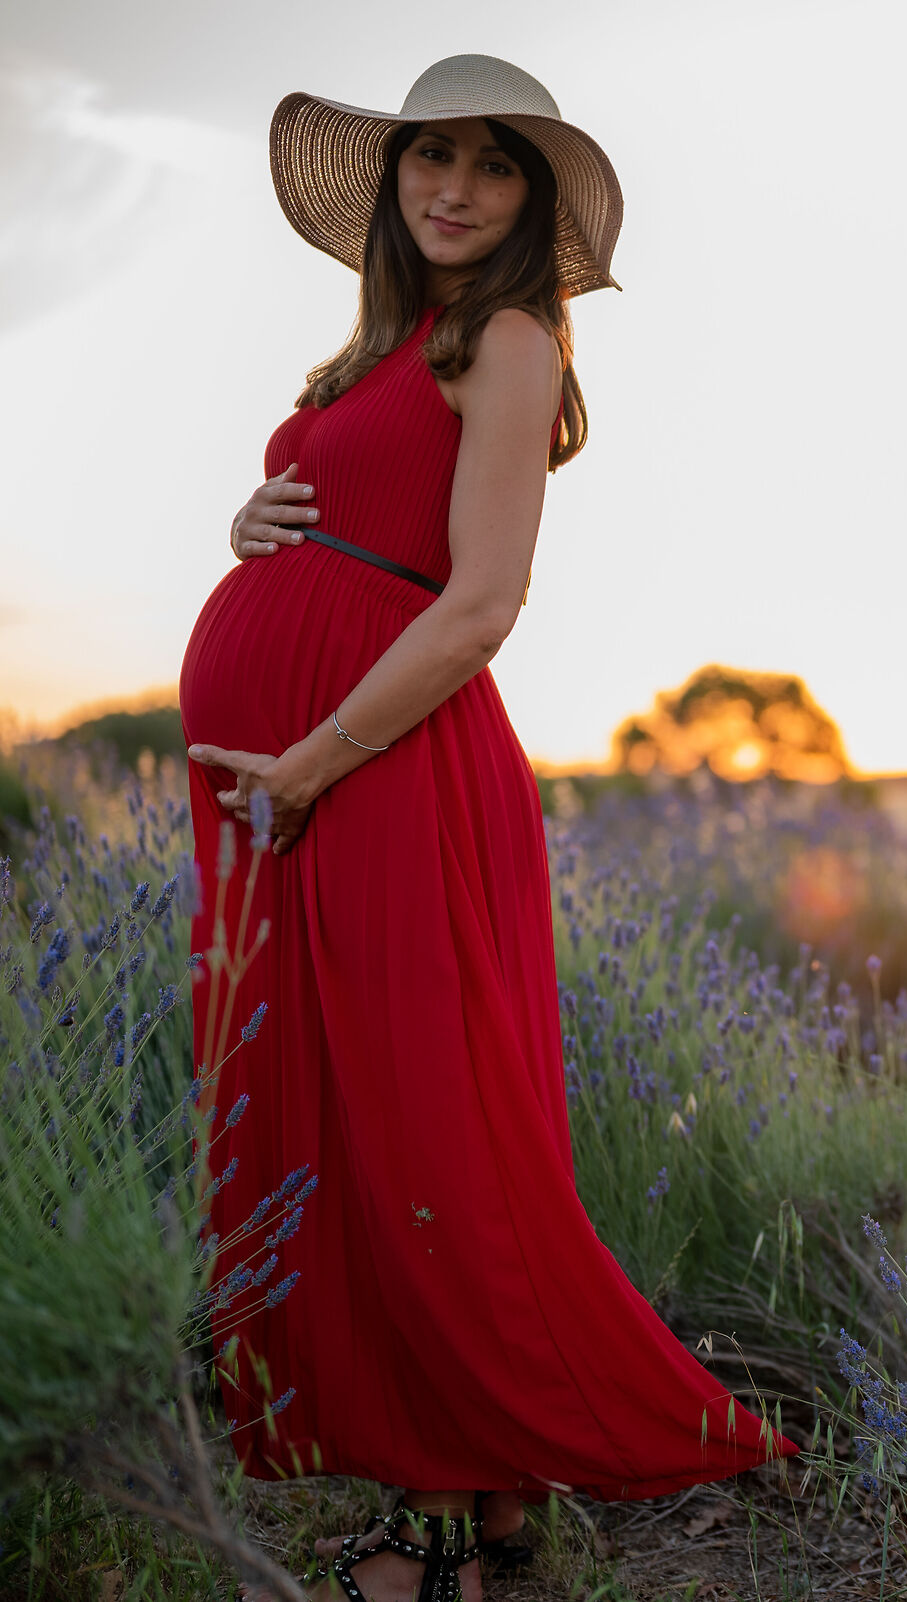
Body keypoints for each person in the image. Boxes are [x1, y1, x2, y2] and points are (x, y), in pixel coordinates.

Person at [179, 54, 794, 1602]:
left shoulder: (508, 339)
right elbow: (357, 522)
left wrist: (311, 761)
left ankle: (439, 1525)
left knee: (418, 1132)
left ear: (531, 201)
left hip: (382, 771)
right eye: (431, 155)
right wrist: (255, 523)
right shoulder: (374, 353)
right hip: (295, 782)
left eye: (495, 163)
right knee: (333, 1123)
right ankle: (487, 1496)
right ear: (393, 177)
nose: (455, 186)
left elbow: (481, 604)